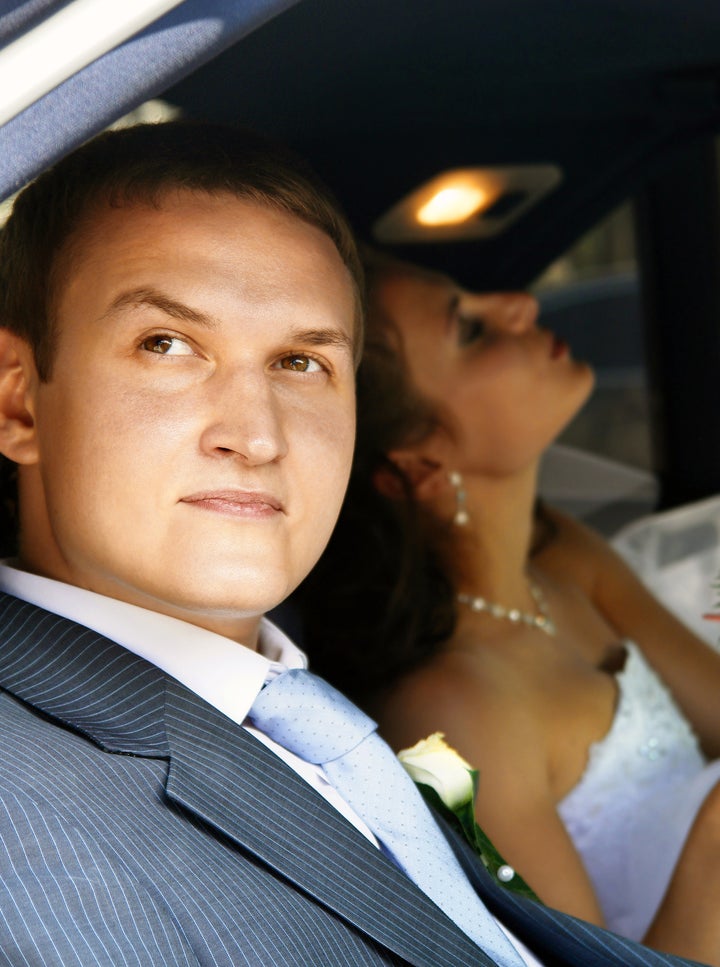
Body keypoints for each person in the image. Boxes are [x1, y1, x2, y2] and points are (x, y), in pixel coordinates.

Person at [0, 120, 703, 967]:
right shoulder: (22, 812)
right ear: (19, 404)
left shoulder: (307, 719)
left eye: (301, 363)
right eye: (169, 345)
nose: (256, 435)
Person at [296, 248, 720, 966]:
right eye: (471, 330)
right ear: (417, 466)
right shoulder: (447, 717)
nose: (521, 304)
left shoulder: (561, 557)